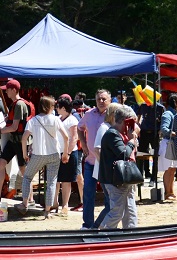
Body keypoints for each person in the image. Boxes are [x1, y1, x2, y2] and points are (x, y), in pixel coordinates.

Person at [18, 96, 69, 218]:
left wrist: (24, 153)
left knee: (27, 177)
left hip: (38, 154)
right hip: (54, 154)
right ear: (50, 107)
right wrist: (65, 153)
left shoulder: (33, 120)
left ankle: (24, 204)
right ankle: (47, 211)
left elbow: (24, 138)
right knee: (51, 182)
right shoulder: (56, 119)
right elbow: (66, 137)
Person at [97, 105, 140, 229]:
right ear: (123, 121)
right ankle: (103, 234)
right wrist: (131, 142)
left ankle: (130, 233)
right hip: (114, 180)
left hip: (124, 178)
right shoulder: (112, 134)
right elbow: (123, 154)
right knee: (117, 212)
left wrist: (132, 140)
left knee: (130, 209)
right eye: (130, 122)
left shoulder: (120, 134)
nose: (133, 126)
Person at [0, 79, 33, 201]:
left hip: (20, 142)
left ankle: (30, 199)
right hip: (13, 140)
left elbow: (14, 127)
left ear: (14, 90)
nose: (6, 92)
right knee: (1, 163)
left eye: (8, 90)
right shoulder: (15, 104)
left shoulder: (19, 105)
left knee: (24, 170)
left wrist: (0, 130)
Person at [78, 89, 111, 228]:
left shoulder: (113, 114)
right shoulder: (89, 114)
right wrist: (83, 143)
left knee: (109, 197)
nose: (101, 101)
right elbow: (79, 128)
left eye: (104, 99)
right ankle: (88, 224)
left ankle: (101, 224)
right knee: (88, 194)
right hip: (91, 161)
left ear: (110, 100)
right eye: (99, 99)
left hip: (105, 163)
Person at [55, 95, 82, 214]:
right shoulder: (58, 118)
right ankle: (54, 202)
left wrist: (68, 153)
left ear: (63, 108)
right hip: (57, 152)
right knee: (56, 180)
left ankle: (65, 205)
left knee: (66, 180)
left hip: (69, 153)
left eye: (58, 107)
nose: (56, 109)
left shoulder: (72, 120)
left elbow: (74, 138)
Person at [135, 91, 164, 180]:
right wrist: (138, 126)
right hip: (144, 132)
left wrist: (160, 131)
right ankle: (140, 176)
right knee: (141, 155)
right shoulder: (143, 106)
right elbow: (138, 117)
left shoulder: (160, 108)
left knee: (155, 155)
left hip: (154, 133)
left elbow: (163, 120)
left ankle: (154, 177)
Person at [157, 93, 177, 201]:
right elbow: (164, 129)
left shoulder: (176, 113)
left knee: (173, 169)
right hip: (168, 143)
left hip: (173, 144)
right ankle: (168, 192)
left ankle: (171, 191)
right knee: (168, 169)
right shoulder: (167, 114)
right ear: (175, 102)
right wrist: (176, 134)